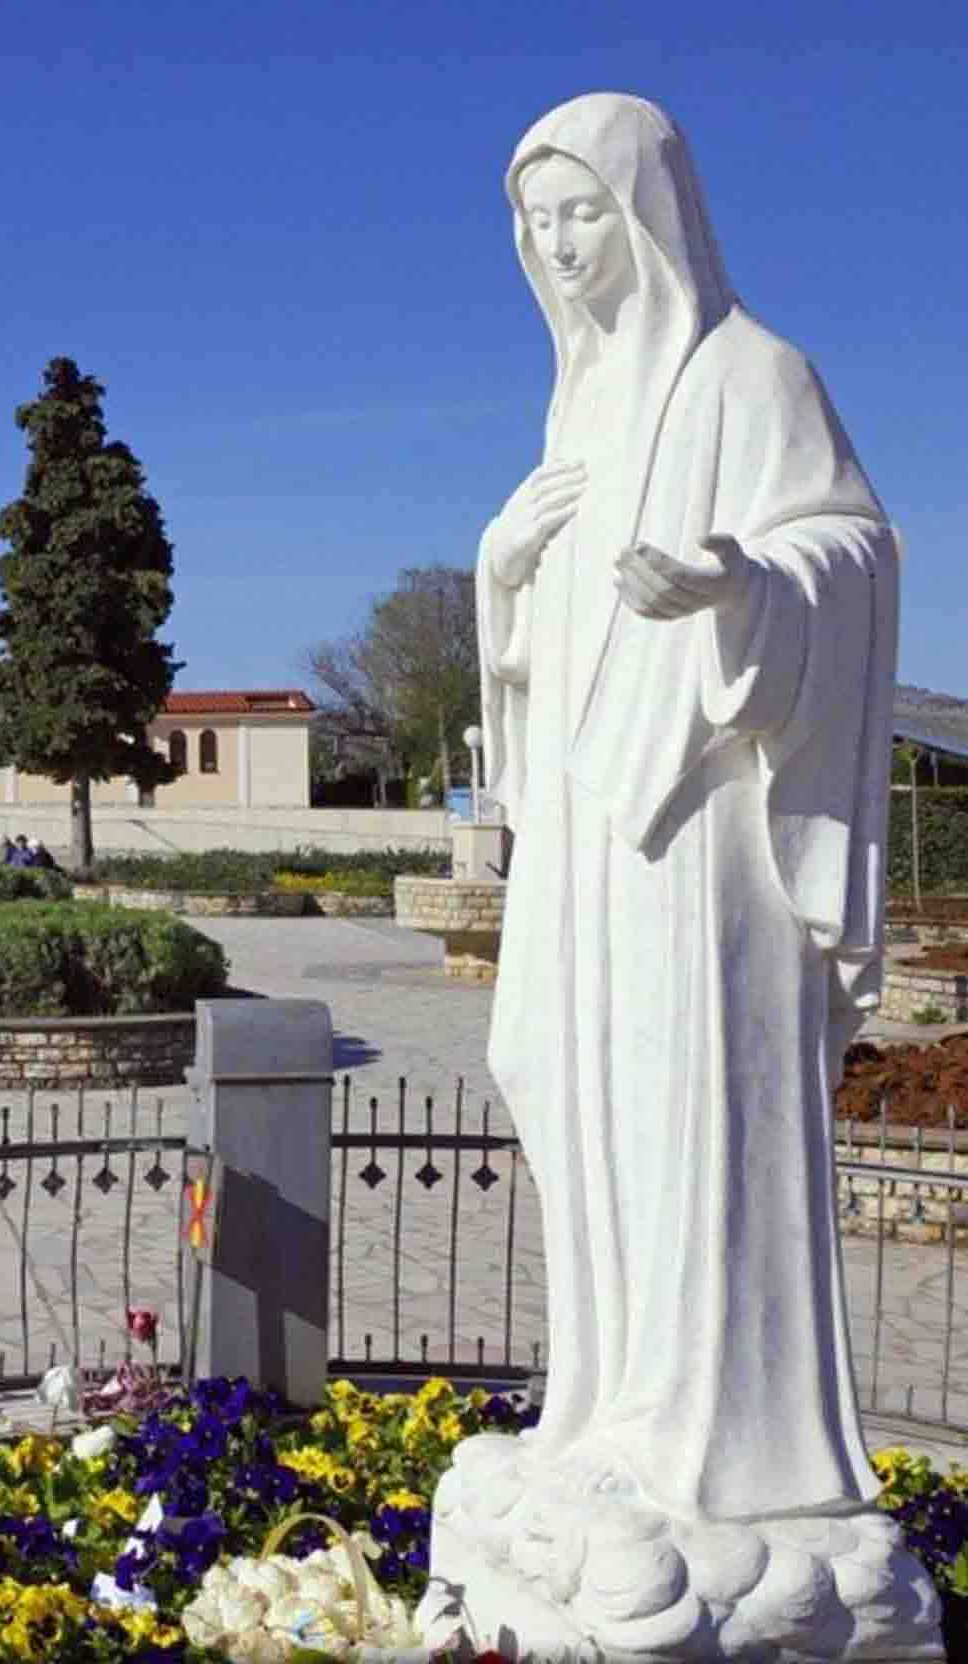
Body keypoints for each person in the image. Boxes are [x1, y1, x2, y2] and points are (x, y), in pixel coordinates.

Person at [473, 94, 900, 1523]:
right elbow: (539, 631)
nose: (558, 246)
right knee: (579, 1088)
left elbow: (849, 544)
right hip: (592, 835)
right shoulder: (573, 396)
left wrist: (742, 587)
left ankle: (721, 1445)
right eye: (535, 224)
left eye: (581, 212)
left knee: (688, 1111)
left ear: (648, 215)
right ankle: (605, 1403)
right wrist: (496, 566)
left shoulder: (754, 373)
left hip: (705, 821)